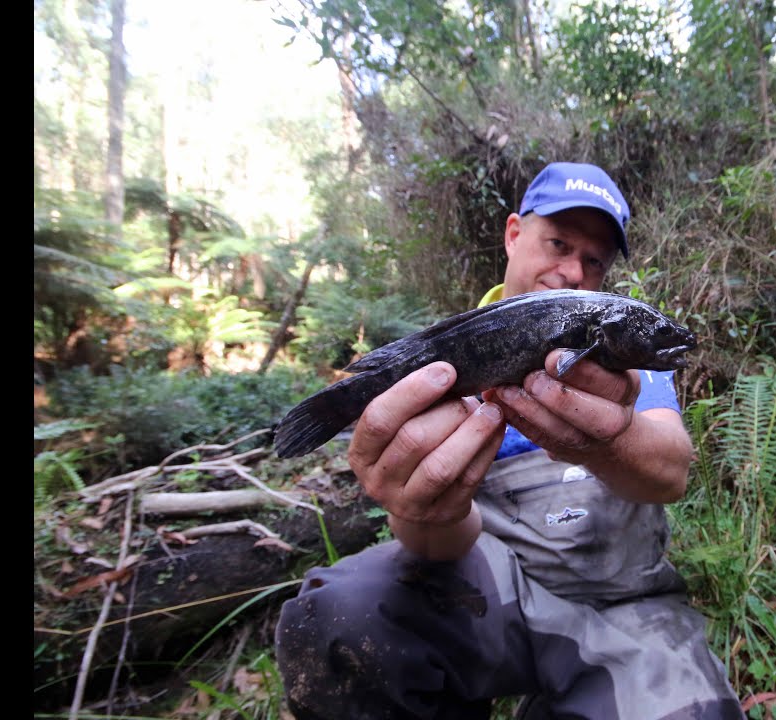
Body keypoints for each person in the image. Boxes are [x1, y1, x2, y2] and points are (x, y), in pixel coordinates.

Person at [275, 162, 745, 719]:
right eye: (558, 243)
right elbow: (437, 547)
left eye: (593, 259)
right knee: (337, 619)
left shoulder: (631, 371)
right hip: (492, 589)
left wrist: (607, 441)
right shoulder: (446, 357)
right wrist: (425, 505)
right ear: (514, 233)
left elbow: (672, 470)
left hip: (625, 602)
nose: (572, 271)